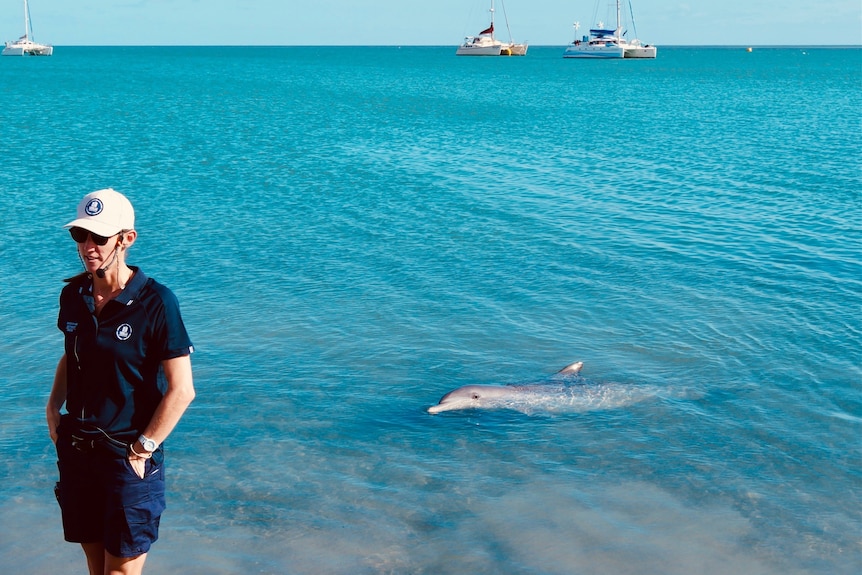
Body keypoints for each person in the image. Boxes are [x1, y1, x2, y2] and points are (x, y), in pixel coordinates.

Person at [47, 188, 195, 575]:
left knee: (120, 572)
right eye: (81, 235)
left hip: (127, 456)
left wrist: (143, 449)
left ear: (127, 239)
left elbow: (182, 390)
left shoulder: (157, 302)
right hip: (78, 450)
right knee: (96, 567)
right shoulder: (73, 295)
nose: (88, 246)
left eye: (99, 237)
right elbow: (73, 353)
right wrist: (52, 407)